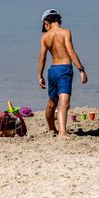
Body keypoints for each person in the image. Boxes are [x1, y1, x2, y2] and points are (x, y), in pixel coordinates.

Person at [38, 9, 88, 138]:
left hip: (52, 70)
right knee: (64, 103)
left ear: (47, 22)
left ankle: (51, 129)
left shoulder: (45, 37)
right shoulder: (65, 32)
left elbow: (42, 58)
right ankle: (62, 132)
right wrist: (81, 69)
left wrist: (40, 76)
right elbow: (70, 51)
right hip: (64, 70)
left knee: (51, 103)